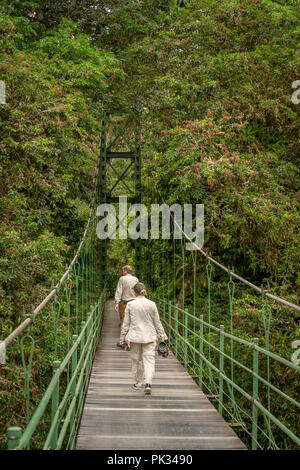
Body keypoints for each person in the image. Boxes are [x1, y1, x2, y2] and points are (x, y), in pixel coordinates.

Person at [120, 282, 168, 395]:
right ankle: (148, 383)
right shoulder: (152, 304)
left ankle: (137, 383)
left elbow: (126, 323)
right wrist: (161, 336)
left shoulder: (130, 305)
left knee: (137, 360)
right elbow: (157, 322)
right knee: (149, 360)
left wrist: (122, 338)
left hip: (135, 337)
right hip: (150, 336)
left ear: (134, 292)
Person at [114, 265, 139, 348]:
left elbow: (119, 291)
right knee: (133, 322)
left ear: (125, 271)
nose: (122, 272)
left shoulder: (122, 279)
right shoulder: (136, 279)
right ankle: (131, 342)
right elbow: (137, 291)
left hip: (124, 303)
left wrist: (117, 303)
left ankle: (123, 341)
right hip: (134, 303)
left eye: (122, 270)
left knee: (123, 322)